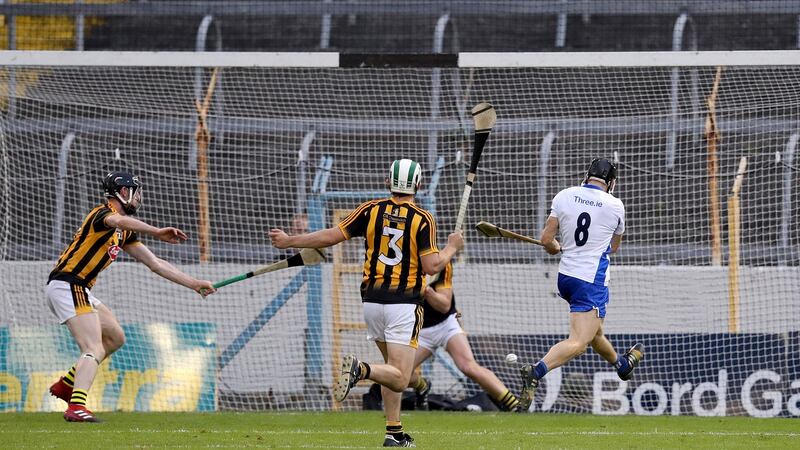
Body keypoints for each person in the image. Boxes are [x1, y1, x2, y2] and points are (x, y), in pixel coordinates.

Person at [270, 159, 463, 448]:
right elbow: (432, 266)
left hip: (371, 302)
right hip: (403, 304)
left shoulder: (370, 210)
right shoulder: (422, 218)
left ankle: (394, 432)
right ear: (418, 186)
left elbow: (330, 236)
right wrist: (452, 247)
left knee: (393, 370)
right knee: (400, 377)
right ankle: (361, 369)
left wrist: (290, 241)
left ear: (388, 182)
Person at [47, 171, 217, 422]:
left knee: (115, 337)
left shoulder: (123, 233)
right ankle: (76, 407)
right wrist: (157, 231)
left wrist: (193, 283)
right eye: (135, 192)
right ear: (122, 192)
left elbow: (155, 263)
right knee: (92, 347)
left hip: (81, 288)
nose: (139, 197)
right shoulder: (102, 215)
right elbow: (121, 222)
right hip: (68, 284)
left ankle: (65, 385)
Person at [518, 158, 644, 411]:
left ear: (587, 176)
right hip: (590, 281)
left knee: (595, 333)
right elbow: (614, 248)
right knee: (579, 343)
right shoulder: (615, 205)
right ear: (611, 183)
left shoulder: (564, 195)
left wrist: (555, 247)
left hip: (566, 279)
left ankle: (622, 365)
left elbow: (546, 240)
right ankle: (536, 371)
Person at [408, 261, 521, 412]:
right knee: (400, 374)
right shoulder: (403, 264)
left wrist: (426, 290)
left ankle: (514, 405)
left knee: (468, 367)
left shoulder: (439, 262)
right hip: (421, 331)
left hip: (446, 324)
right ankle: (422, 387)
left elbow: (444, 305)